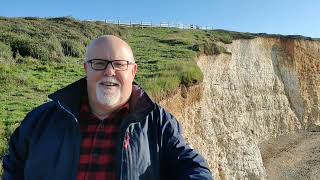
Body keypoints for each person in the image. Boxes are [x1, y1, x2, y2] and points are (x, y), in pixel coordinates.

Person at [2, 35, 213, 180]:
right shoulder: (40, 120)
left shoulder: (159, 122)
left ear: (133, 72)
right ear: (86, 69)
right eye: (99, 63)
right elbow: (14, 166)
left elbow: (190, 166)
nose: (109, 72)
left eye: (120, 64)